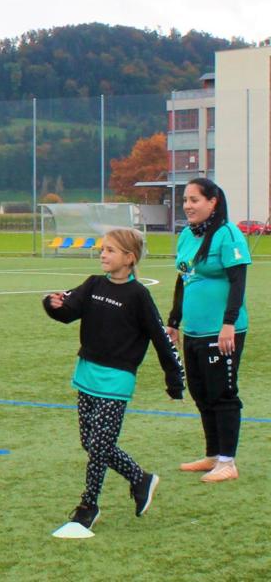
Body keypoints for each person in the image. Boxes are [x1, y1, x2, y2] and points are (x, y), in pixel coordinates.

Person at [43, 228, 184, 530]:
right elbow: (68, 311)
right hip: (87, 374)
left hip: (117, 381)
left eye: (110, 250)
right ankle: (140, 479)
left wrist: (174, 379)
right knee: (90, 442)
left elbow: (161, 338)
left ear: (129, 258)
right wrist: (52, 305)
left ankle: (88, 506)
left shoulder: (138, 296)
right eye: (102, 249)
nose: (103, 254)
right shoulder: (93, 285)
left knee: (100, 445)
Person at [166, 177, 251, 483]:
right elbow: (183, 278)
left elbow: (238, 281)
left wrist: (228, 324)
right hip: (195, 331)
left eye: (194, 200)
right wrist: (174, 321)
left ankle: (228, 462)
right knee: (201, 392)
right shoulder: (187, 236)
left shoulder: (229, 235)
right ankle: (213, 455)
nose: (188, 206)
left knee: (222, 393)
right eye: (185, 200)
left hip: (222, 331)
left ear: (212, 202)